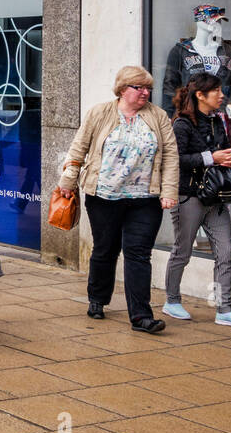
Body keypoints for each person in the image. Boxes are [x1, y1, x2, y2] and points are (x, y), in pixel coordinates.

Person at [58, 66, 179, 333]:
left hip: (145, 198)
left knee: (138, 254)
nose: (145, 92)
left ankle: (141, 316)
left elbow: (170, 156)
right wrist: (68, 181)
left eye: (148, 88)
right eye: (139, 88)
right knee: (105, 249)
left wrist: (169, 192)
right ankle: (98, 299)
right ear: (123, 90)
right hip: (104, 196)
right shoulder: (99, 113)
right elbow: (78, 149)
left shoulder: (158, 116)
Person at [163, 73, 231, 328]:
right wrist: (212, 157)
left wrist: (230, 156)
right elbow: (177, 159)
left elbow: (222, 150)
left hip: (215, 197)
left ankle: (224, 309)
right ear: (200, 95)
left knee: (225, 252)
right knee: (183, 251)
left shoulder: (217, 121)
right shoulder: (182, 124)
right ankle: (172, 300)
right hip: (189, 195)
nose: (222, 95)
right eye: (216, 91)